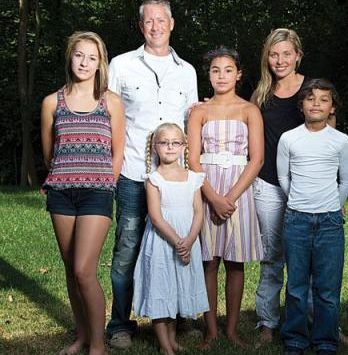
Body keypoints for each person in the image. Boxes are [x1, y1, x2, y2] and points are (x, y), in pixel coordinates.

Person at [251, 28, 348, 347]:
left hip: (312, 193)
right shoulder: (260, 93)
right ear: (267, 58)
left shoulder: (312, 91)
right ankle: (268, 323)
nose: (280, 60)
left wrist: (331, 196)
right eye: (273, 53)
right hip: (270, 184)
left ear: (298, 54)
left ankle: (321, 324)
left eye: (286, 53)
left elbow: (330, 144)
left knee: (314, 263)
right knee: (273, 258)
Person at [105, 0, 199, 349]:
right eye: (149, 21)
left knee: (177, 245)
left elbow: (192, 123)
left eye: (161, 20)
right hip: (133, 173)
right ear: (140, 25)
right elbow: (110, 117)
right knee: (127, 249)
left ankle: (178, 315)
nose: (155, 26)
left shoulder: (186, 71)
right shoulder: (122, 65)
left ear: (172, 24)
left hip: (174, 179)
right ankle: (120, 324)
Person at [41, 31, 125, 355]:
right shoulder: (52, 102)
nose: (85, 62)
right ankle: (81, 336)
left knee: (83, 270)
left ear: (100, 62)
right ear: (70, 57)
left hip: (97, 194)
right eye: (79, 55)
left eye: (92, 57)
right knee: (69, 269)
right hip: (61, 193)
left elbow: (117, 151)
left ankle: (98, 346)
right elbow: (50, 153)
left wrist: (108, 183)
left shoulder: (111, 101)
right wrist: (65, 172)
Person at [187, 46, 264, 348]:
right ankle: (211, 330)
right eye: (215, 70)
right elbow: (193, 159)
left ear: (239, 74)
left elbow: (256, 159)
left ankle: (231, 329)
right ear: (208, 75)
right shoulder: (199, 112)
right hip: (206, 188)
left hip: (238, 190)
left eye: (228, 70)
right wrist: (212, 197)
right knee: (209, 260)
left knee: (235, 261)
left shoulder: (249, 110)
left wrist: (229, 197)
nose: (221, 75)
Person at [277, 78, 348, 355]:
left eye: (324, 99)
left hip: (330, 223)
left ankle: (325, 341)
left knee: (327, 288)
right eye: (311, 99)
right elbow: (284, 177)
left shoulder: (341, 141)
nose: (316, 104)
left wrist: (334, 204)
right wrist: (298, 201)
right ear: (302, 105)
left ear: (332, 107)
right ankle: (295, 340)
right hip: (296, 219)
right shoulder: (290, 138)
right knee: (296, 285)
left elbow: (345, 181)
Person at [133, 122, 209, 355]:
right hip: (162, 242)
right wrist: (177, 242)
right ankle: (165, 346)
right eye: (164, 142)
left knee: (176, 289)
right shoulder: (153, 179)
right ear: (155, 147)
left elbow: (198, 212)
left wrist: (189, 240)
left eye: (175, 142)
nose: (170, 147)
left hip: (188, 240)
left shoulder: (193, 177)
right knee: (161, 287)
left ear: (184, 146)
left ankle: (173, 339)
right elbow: (155, 217)